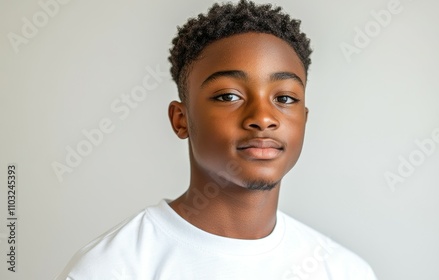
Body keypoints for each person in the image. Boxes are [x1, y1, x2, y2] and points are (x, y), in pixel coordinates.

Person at [57, 1, 378, 279]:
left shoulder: (344, 271)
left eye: (285, 98)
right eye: (228, 96)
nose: (263, 117)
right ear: (181, 119)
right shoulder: (111, 269)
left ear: (304, 120)